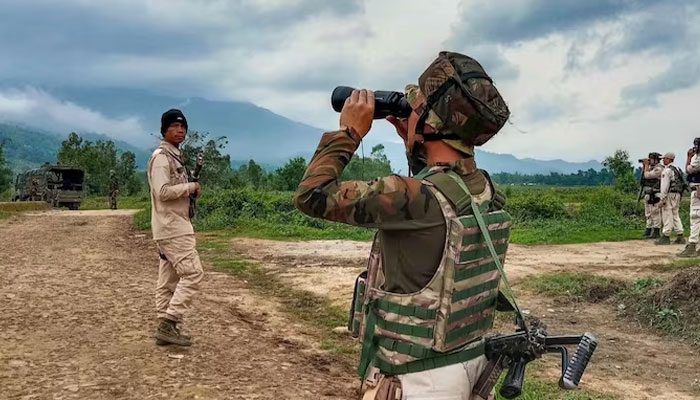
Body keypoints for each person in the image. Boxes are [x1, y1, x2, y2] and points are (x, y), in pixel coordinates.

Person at [294, 52, 511, 400]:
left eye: (416, 108)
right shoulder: (484, 189)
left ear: (431, 123)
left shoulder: (409, 196)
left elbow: (312, 195)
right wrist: (416, 144)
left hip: (418, 379)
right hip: (467, 365)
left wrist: (349, 131)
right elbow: (435, 198)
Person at [147, 108, 203, 346]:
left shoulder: (176, 156)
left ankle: (164, 326)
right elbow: (162, 192)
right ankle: (169, 322)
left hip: (171, 226)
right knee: (193, 274)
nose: (179, 130)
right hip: (173, 228)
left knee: (168, 280)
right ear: (164, 130)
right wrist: (189, 188)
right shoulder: (161, 158)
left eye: (183, 127)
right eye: (174, 126)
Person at [655, 152, 685, 245]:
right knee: (675, 214)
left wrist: (662, 199)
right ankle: (680, 235)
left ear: (669, 159)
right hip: (678, 194)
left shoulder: (667, 170)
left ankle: (666, 236)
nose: (663, 160)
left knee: (667, 214)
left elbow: (664, 186)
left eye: (664, 158)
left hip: (669, 195)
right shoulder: (678, 169)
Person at [679, 138, 700, 257]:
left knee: (695, 216)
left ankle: (692, 245)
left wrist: (688, 157)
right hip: (697, 188)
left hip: (697, 189)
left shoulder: (697, 158)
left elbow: (690, 169)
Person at [641, 152, 663, 239]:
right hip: (648, 193)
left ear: (657, 159)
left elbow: (647, 176)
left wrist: (646, 166)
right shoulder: (650, 168)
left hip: (655, 193)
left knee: (655, 212)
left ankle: (656, 231)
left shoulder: (659, 169)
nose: (650, 161)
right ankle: (648, 228)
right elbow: (643, 177)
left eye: (652, 159)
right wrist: (644, 166)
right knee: (648, 212)